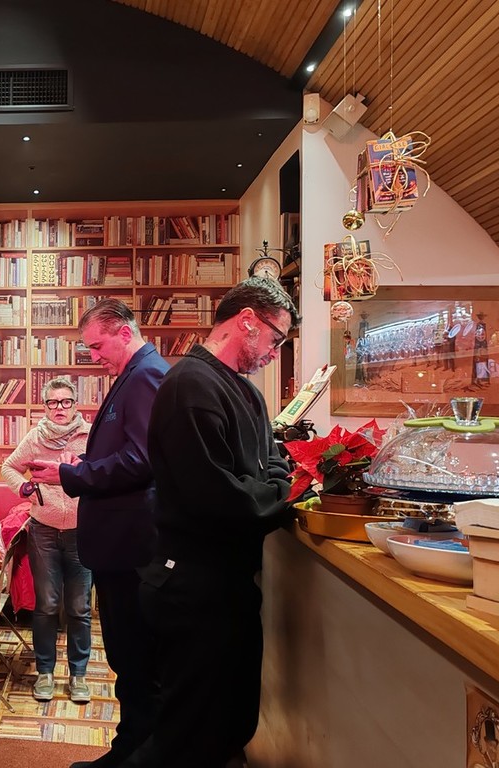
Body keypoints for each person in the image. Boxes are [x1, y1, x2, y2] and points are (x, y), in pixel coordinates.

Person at [128, 276, 299, 768]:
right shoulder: (189, 385)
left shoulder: (246, 391)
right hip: (192, 586)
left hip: (224, 583)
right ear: (247, 321)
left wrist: (276, 486)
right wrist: (283, 491)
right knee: (187, 737)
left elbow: (274, 465)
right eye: (276, 338)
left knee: (229, 723)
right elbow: (219, 497)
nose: (275, 353)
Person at [29, 299, 169, 768]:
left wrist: (73, 475)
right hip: (121, 546)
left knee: (136, 661)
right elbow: (128, 454)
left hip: (131, 547)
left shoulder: (145, 376)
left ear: (124, 333)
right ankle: (129, 750)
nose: (92, 357)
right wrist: (83, 464)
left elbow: (142, 460)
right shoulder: (135, 375)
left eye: (96, 346)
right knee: (129, 661)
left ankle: (137, 755)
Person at [1, 376, 93, 705]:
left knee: (80, 607)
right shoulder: (35, 437)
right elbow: (9, 467)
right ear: (45, 407)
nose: (59, 408)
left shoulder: (91, 435)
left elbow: (102, 471)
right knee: (47, 605)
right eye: (53, 402)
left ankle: (78, 675)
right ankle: (45, 673)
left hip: (82, 532)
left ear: (75, 405)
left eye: (66, 401)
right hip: (43, 530)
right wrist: (24, 488)